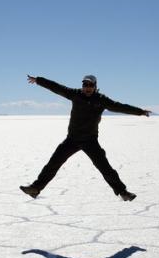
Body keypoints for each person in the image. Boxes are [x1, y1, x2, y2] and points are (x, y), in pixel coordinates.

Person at [20, 74, 151, 201]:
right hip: (72, 139)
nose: (87, 87)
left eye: (90, 85)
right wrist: (38, 80)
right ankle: (35, 189)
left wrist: (140, 112)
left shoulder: (101, 100)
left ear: (95, 86)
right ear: (82, 85)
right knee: (53, 164)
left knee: (105, 168)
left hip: (90, 141)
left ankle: (123, 192)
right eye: (85, 85)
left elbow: (119, 107)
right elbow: (57, 88)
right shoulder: (75, 94)